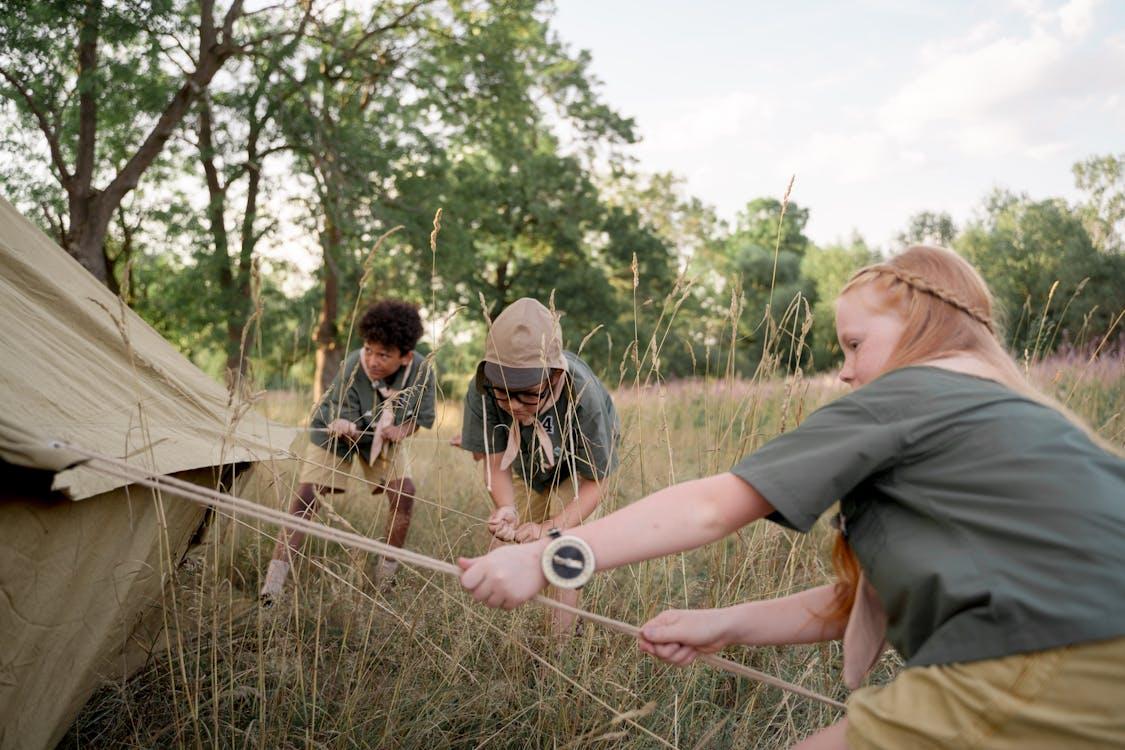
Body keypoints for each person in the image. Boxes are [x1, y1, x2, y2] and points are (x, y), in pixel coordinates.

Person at [457, 246, 1125, 749]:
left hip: (1036, 661)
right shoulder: (1021, 420)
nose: (845, 369)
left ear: (922, 326)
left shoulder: (909, 393)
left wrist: (546, 557)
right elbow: (853, 604)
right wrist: (725, 624)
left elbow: (710, 507)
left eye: (854, 344)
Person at [457, 297, 620, 635]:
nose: (514, 405)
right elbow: (492, 460)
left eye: (528, 394)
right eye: (503, 394)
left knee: (561, 547)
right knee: (512, 537)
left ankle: (558, 651)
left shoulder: (583, 393)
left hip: (577, 474)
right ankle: (503, 641)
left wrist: (553, 526)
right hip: (523, 465)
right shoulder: (482, 390)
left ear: (555, 376)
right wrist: (506, 508)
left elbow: (597, 482)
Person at [260, 299, 436, 604]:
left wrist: (402, 430)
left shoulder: (421, 371)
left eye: (384, 354)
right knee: (306, 498)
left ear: (406, 357)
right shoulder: (355, 363)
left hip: (384, 439)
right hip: (338, 434)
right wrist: (341, 423)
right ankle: (272, 586)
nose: (373, 360)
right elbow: (336, 405)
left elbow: (420, 418)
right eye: (369, 349)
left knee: (405, 493)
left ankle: (385, 582)